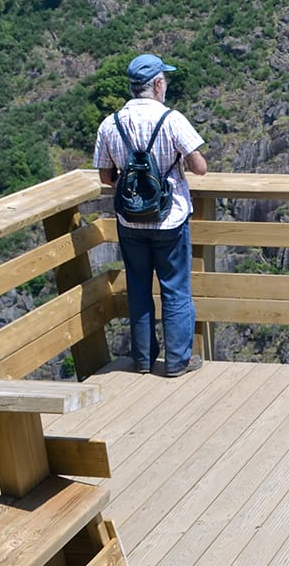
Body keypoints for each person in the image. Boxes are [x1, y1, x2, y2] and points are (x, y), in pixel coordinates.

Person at [94, 53, 209, 377]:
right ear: (157, 84)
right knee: (174, 288)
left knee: (139, 287)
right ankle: (177, 361)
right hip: (169, 219)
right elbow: (200, 168)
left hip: (130, 221)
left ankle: (142, 360)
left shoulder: (111, 124)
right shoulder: (171, 120)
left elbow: (105, 177)